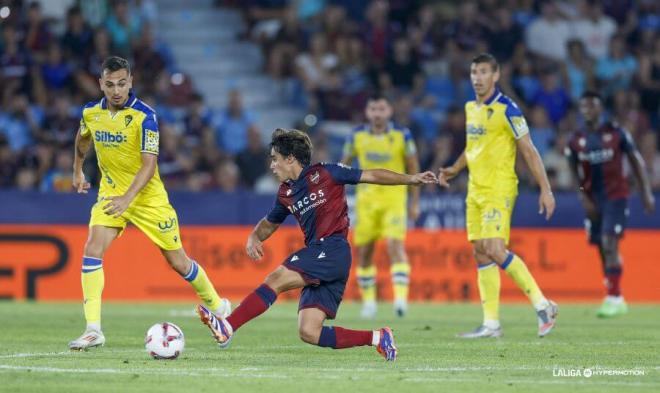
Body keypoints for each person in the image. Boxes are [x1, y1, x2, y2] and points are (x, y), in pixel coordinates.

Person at [196, 128, 437, 361]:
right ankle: (378, 337)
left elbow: (371, 175)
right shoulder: (285, 193)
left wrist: (411, 179)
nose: (271, 166)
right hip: (322, 256)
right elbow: (270, 222)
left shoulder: (327, 173)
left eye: (275, 159)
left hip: (333, 249)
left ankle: (227, 326)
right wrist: (254, 236)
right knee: (309, 332)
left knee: (276, 279)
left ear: (290, 158)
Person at [68, 56, 230, 350]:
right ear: (100, 84)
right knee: (92, 248)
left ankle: (218, 306)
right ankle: (93, 330)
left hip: (147, 198)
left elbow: (149, 165)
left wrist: (127, 199)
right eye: (110, 85)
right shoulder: (91, 113)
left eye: (121, 84)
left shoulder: (146, 116)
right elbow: (82, 139)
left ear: (130, 82)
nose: (116, 91)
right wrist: (78, 169)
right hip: (111, 193)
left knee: (178, 262)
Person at [438, 53, 558, 338]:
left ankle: (544, 305)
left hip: (499, 188)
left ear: (496, 75)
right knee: (480, 252)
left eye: (483, 72)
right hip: (475, 190)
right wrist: (454, 169)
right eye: (473, 72)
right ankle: (491, 324)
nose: (477, 78)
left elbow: (529, 149)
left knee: (494, 248)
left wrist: (545, 188)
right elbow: (473, 147)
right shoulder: (470, 108)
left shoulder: (509, 109)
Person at [565, 91, 655, 318]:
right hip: (593, 201)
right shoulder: (576, 140)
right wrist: (583, 196)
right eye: (584, 106)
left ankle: (613, 297)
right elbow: (574, 173)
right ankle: (616, 295)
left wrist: (646, 193)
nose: (587, 110)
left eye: (592, 106)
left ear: (600, 108)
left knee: (609, 242)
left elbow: (636, 161)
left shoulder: (616, 133)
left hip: (616, 196)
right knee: (601, 247)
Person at [341, 93, 420, 318]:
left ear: (389, 112)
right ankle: (369, 303)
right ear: (367, 112)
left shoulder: (402, 136)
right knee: (365, 252)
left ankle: (401, 301)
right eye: (373, 109)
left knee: (395, 246)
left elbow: (414, 168)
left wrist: (415, 202)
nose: (377, 114)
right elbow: (343, 167)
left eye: (381, 109)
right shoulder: (356, 136)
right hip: (366, 201)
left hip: (394, 199)